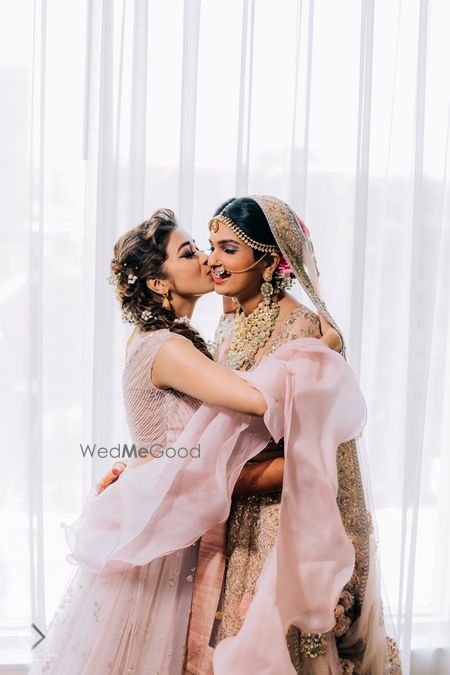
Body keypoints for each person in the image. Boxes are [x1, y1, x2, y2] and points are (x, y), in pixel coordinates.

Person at [29, 207, 340, 674]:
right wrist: (323, 351)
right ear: (158, 283)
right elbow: (256, 400)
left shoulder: (173, 340)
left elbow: (172, 431)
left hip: (172, 520)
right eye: (190, 252)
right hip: (166, 539)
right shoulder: (166, 348)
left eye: (208, 247)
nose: (207, 259)